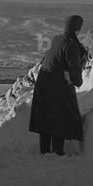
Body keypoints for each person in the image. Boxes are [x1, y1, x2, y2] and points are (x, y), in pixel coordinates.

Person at [29, 14, 86, 155]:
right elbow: (74, 68)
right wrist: (78, 81)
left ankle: (45, 151)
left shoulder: (57, 39)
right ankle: (57, 151)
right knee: (61, 116)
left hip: (43, 83)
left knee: (46, 118)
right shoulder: (71, 44)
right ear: (78, 27)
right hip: (56, 85)